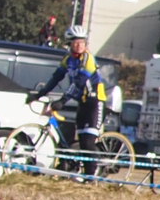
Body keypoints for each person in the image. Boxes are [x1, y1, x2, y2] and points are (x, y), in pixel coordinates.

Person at [32, 28, 111, 173]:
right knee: (82, 141)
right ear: (70, 44)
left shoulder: (88, 59)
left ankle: (91, 178)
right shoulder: (68, 60)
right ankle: (83, 174)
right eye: (76, 42)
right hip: (82, 103)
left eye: (82, 42)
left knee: (88, 141)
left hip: (95, 102)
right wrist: (40, 94)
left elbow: (79, 83)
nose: (79, 45)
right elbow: (56, 78)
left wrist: (62, 101)